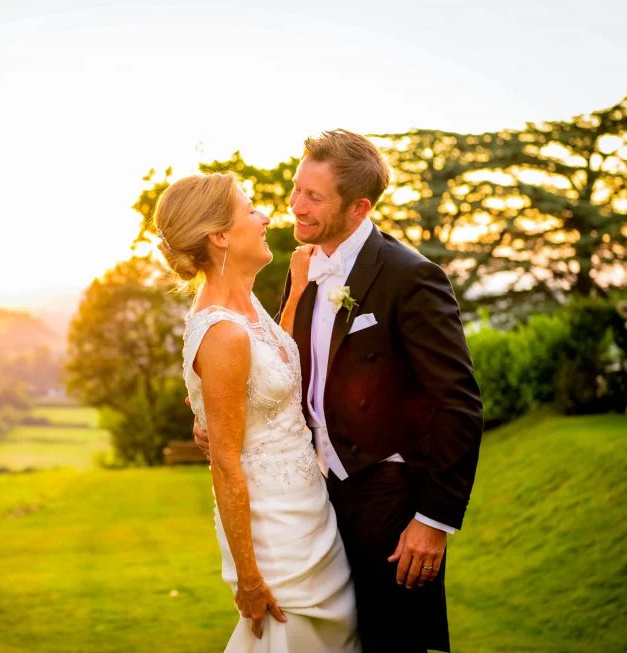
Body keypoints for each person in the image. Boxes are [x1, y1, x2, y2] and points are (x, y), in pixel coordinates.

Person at [194, 130, 483, 652]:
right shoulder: (302, 266)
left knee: (390, 643)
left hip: (389, 503)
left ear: (359, 208)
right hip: (313, 503)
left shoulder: (411, 277)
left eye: (314, 196)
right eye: (297, 188)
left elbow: (458, 403)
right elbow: (277, 365)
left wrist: (433, 521)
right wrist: (216, 418)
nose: (295, 206)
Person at [155, 172, 360, 652]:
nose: (266, 216)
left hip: (309, 508)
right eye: (250, 210)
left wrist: (297, 292)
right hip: (274, 531)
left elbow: (272, 359)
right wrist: (248, 577)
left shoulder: (244, 305)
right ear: (220, 236)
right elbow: (225, 462)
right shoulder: (222, 332)